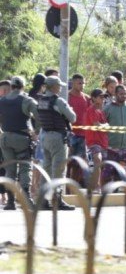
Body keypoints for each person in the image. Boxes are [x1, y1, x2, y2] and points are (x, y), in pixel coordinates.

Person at [37, 76, 77, 210]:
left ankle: (42, 200)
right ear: (54, 87)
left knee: (46, 169)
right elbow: (73, 118)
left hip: (45, 136)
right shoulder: (58, 101)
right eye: (59, 86)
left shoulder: (41, 99)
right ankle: (58, 201)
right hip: (57, 137)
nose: (60, 88)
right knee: (59, 170)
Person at [0, 77, 37, 210]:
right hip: (22, 138)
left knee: (10, 170)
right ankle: (26, 199)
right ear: (23, 86)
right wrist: (36, 132)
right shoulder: (26, 100)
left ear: (12, 86)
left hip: (5, 139)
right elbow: (39, 116)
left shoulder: (2, 100)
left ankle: (10, 202)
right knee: (25, 168)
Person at [103, 85, 126, 182]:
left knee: (125, 174)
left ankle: (122, 196)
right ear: (115, 94)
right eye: (121, 94)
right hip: (111, 147)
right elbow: (102, 126)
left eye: (125, 94)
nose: (123, 96)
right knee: (108, 174)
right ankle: (106, 195)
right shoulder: (108, 108)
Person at [67, 74, 91, 182]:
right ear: (73, 83)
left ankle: (74, 187)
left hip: (82, 135)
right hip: (70, 134)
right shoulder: (66, 97)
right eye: (79, 83)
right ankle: (65, 187)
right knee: (68, 163)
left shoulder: (87, 98)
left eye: (83, 83)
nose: (82, 85)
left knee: (79, 164)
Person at [83, 89, 108, 193]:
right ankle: (96, 187)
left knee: (102, 165)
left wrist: (104, 126)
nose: (103, 99)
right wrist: (105, 125)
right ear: (93, 98)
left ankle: (100, 187)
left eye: (103, 97)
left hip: (102, 141)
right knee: (97, 159)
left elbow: (105, 125)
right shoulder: (91, 110)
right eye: (100, 97)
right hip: (93, 141)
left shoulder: (101, 111)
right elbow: (97, 125)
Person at [0, 80, 10, 205]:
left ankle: (4, 195)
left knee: (4, 167)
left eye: (8, 90)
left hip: (7, 139)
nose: (5, 92)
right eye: (3, 90)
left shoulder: (12, 103)